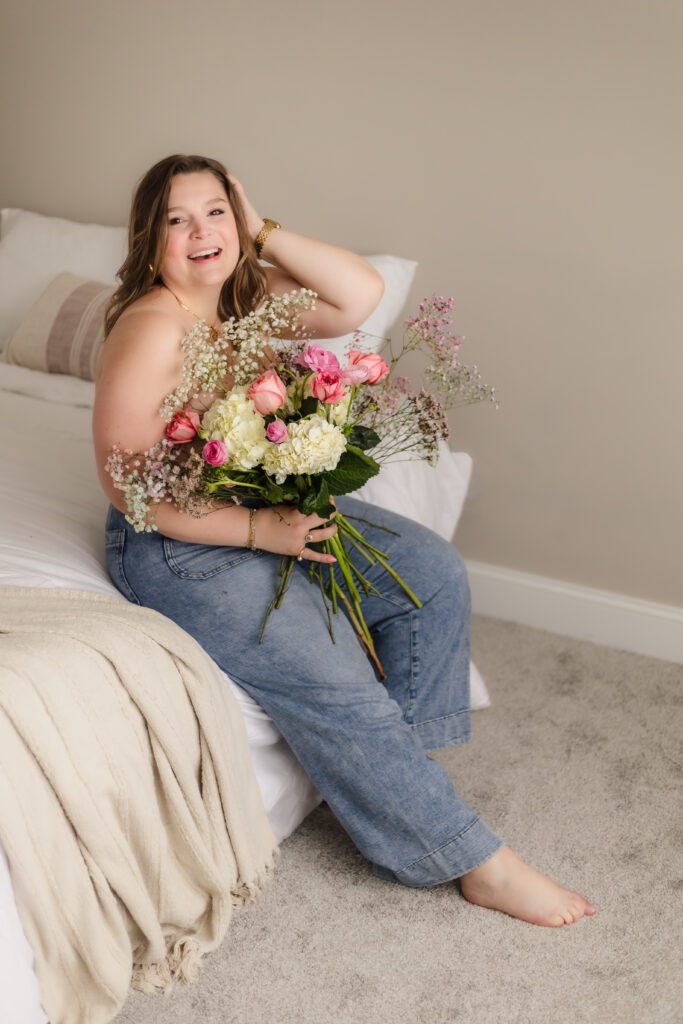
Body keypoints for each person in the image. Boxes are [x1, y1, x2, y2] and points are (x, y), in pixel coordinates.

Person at [93, 153, 596, 927]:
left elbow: (362, 293)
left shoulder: (248, 300)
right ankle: (473, 862)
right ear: (147, 238)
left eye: (216, 211)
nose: (202, 231)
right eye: (176, 218)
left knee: (429, 574)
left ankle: (387, 770)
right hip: (177, 539)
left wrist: (260, 228)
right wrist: (262, 531)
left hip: (265, 505)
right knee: (334, 683)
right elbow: (129, 489)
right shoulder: (149, 324)